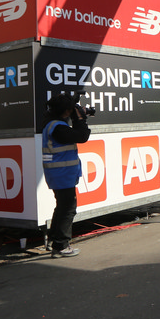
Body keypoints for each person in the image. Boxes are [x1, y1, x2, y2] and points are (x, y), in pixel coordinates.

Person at [41, 92, 92, 257]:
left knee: (62, 207)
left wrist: (76, 114)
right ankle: (61, 246)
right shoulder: (58, 128)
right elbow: (82, 136)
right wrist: (80, 119)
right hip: (62, 174)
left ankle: (54, 240)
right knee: (68, 209)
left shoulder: (51, 123)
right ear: (66, 111)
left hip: (58, 174)